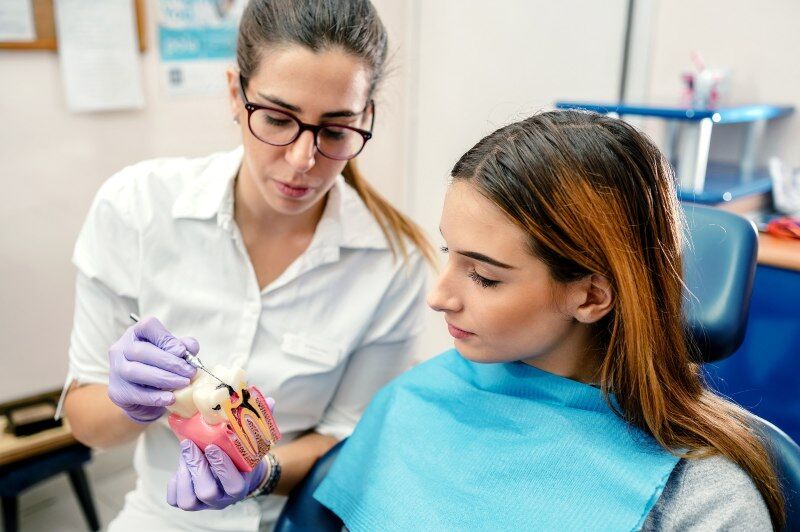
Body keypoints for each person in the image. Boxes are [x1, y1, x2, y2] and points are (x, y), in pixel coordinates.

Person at [314, 110, 784, 531]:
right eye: (448, 253)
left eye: (483, 276)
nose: (439, 297)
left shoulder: (703, 504)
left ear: (591, 295)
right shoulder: (417, 398)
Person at [61, 1, 434, 530]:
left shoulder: (394, 264)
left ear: (366, 117)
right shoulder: (137, 208)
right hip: (161, 517)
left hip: (294, 517)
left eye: (335, 129)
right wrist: (129, 402)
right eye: (278, 119)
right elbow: (85, 423)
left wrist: (261, 474)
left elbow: (347, 441)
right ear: (236, 94)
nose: (304, 160)